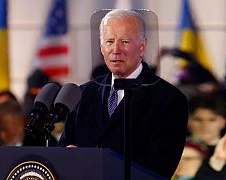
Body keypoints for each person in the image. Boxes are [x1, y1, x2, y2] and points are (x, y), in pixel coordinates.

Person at [58, 9, 188, 178]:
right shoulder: (83, 94)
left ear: (142, 47)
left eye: (125, 42)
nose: (116, 50)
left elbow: (159, 169)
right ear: (101, 47)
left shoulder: (169, 100)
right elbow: (64, 151)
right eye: (109, 41)